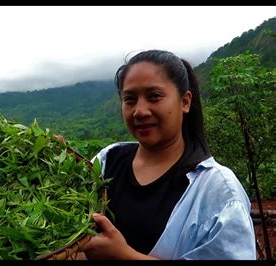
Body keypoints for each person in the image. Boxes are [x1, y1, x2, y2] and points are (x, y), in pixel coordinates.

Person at [79, 49, 256, 260]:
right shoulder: (108, 161)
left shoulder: (218, 191)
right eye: (130, 99)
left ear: (185, 102)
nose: (140, 111)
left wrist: (125, 256)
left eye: (154, 96)